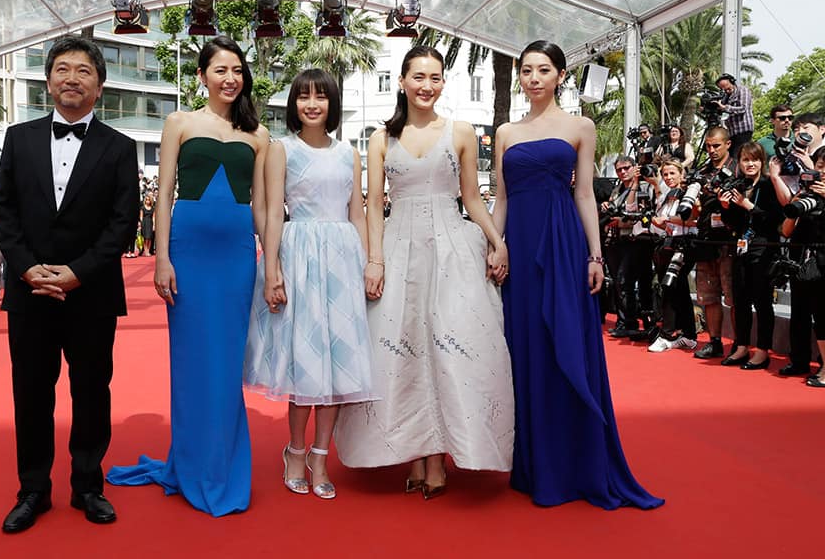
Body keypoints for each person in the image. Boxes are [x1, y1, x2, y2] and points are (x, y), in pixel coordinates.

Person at [333, 45, 514, 499]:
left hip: (452, 247)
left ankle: (439, 459)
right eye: (418, 77)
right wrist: (374, 260)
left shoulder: (462, 132)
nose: (426, 86)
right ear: (401, 81)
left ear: (442, 83)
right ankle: (414, 455)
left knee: (451, 349)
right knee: (401, 352)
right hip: (398, 248)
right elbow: (374, 205)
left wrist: (497, 239)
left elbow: (472, 197)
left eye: (435, 78)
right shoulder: (380, 138)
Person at [492, 40, 663, 509]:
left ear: (561, 75)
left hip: (564, 244)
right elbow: (502, 199)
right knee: (524, 347)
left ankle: (577, 462)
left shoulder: (580, 126)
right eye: (526, 70)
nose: (533, 78)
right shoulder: (505, 131)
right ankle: (534, 463)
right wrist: (494, 245)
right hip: (520, 249)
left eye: (543, 70)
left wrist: (595, 255)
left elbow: (585, 194)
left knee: (564, 343)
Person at [107, 36, 270, 517]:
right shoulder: (179, 122)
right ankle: (195, 463)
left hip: (238, 257)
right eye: (220, 69)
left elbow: (261, 206)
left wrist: (272, 261)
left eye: (237, 70)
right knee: (193, 363)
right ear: (202, 76)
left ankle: (223, 466)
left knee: (226, 367)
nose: (230, 78)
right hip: (189, 252)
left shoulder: (257, 135)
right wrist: (161, 258)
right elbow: (164, 195)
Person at [0, 35, 139, 533]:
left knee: (91, 391)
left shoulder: (120, 148)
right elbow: (4, 210)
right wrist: (26, 267)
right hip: (29, 291)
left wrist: (78, 272)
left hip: (91, 293)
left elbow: (123, 223)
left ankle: (87, 485)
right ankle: (32, 489)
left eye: (83, 71)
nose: (71, 78)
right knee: (31, 393)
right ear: (48, 80)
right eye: (62, 69)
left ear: (99, 85)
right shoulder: (19, 138)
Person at [244, 69, 374, 500]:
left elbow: (357, 211)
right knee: (304, 362)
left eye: (320, 96)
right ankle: (295, 451)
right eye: (303, 97)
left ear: (332, 103)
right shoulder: (282, 150)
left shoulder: (349, 154)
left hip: (341, 258)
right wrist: (273, 268)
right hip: (299, 256)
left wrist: (370, 261)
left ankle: (322, 455)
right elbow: (273, 212)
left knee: (339, 365)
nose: (312, 104)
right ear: (294, 104)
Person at [719, 142, 784, 370]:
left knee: (763, 301)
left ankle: (763, 350)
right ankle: (742, 346)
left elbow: (775, 220)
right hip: (741, 249)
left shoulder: (767, 186)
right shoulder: (739, 185)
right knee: (741, 300)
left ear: (761, 162)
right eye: (746, 160)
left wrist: (748, 206)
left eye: (754, 160)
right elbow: (732, 224)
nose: (750, 164)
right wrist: (725, 207)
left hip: (764, 249)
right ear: (739, 162)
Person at [690, 127, 738, 360]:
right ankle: (715, 341)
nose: (711, 150)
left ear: (728, 144)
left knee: (734, 296)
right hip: (706, 238)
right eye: (708, 146)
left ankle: (740, 345)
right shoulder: (701, 171)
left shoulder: (738, 167)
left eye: (716, 145)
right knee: (708, 296)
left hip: (731, 240)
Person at [780, 145, 825, 382]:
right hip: (801, 262)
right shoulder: (805, 195)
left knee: (822, 315)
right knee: (799, 313)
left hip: (822, 263)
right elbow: (786, 231)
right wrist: (795, 205)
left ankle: (824, 366)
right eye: (819, 166)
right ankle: (798, 360)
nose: (823, 171)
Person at [646, 158, 699, 353]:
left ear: (682, 174)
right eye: (665, 174)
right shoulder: (668, 195)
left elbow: (694, 220)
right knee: (680, 289)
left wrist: (667, 219)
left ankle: (667, 335)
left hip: (685, 245)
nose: (668, 177)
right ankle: (689, 335)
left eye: (672, 173)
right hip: (668, 244)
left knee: (669, 286)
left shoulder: (691, 193)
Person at [600, 155, 655, 338]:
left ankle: (630, 322)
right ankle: (624, 321)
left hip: (636, 240)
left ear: (634, 168)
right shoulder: (617, 188)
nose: (623, 172)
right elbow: (615, 209)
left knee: (627, 282)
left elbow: (642, 215)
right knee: (619, 282)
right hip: (616, 241)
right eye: (619, 170)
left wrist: (620, 222)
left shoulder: (643, 186)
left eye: (626, 168)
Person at [715, 73, 754, 158]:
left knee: (738, 156)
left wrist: (725, 107)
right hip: (731, 133)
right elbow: (721, 111)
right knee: (730, 157)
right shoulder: (726, 96)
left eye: (727, 86)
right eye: (722, 88)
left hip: (743, 130)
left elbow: (743, 108)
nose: (726, 90)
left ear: (732, 82)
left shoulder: (743, 90)